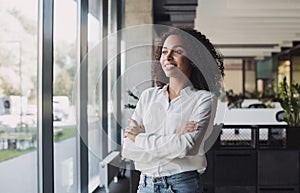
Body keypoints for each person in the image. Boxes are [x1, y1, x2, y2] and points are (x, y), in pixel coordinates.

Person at [122, 27, 224, 193]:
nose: (167, 57)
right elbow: (128, 148)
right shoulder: (148, 96)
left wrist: (140, 137)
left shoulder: (204, 99)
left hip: (182, 185)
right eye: (164, 52)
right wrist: (175, 137)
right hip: (146, 185)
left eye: (177, 51)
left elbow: (187, 146)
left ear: (193, 58)